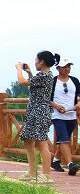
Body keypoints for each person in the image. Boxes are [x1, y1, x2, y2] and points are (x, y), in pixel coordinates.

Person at [15, 51, 60, 183]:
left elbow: (22, 82)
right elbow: (35, 85)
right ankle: (32, 172)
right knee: (28, 140)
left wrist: (19, 69)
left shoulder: (44, 75)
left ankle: (46, 175)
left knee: (41, 144)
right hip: (35, 112)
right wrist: (29, 72)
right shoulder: (45, 75)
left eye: (36, 60)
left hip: (40, 113)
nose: (34, 62)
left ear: (42, 62)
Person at [49, 57, 79, 176]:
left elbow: (79, 96)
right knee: (65, 139)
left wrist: (78, 104)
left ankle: (56, 161)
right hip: (57, 116)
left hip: (71, 115)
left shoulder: (75, 81)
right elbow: (47, 99)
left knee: (63, 140)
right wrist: (56, 106)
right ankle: (71, 164)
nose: (67, 69)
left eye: (69, 66)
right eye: (65, 67)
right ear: (58, 68)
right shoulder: (53, 81)